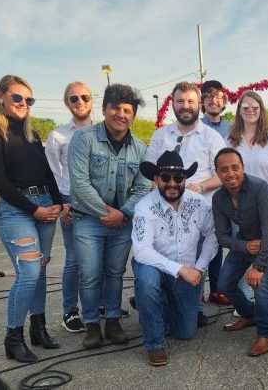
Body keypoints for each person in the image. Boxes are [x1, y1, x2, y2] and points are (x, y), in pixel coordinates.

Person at [0, 75, 62, 363]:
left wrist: (58, 202)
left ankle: (38, 328)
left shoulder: (32, 134)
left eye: (29, 100)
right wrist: (33, 209)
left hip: (46, 206)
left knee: (40, 269)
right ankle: (13, 338)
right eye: (17, 97)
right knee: (28, 272)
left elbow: (47, 172)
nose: (23, 104)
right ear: (1, 97)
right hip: (17, 208)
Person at [68, 83, 151, 349]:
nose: (121, 114)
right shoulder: (84, 139)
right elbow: (79, 184)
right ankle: (92, 326)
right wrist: (108, 213)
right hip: (88, 220)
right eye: (115, 107)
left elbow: (142, 187)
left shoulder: (140, 148)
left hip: (123, 222)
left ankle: (113, 321)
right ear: (104, 109)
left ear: (133, 116)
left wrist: (124, 213)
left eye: (127, 110)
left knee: (115, 273)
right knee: (90, 274)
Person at [147, 81, 226, 326]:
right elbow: (152, 174)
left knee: (196, 259)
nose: (185, 106)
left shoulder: (212, 137)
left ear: (199, 104)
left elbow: (222, 174)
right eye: (180, 101)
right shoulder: (161, 135)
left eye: (191, 101)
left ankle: (195, 305)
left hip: (200, 211)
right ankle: (164, 300)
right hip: (165, 211)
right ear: (173, 104)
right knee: (167, 257)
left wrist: (200, 187)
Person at [131, 151, 218, 366]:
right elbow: (141, 251)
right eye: (166, 178)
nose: (172, 183)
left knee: (185, 332)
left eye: (178, 178)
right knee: (147, 281)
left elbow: (212, 237)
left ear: (185, 180)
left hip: (189, 272)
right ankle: (154, 344)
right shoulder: (144, 207)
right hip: (155, 268)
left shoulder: (199, 203)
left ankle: (148, 304)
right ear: (156, 179)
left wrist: (199, 267)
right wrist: (179, 270)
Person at [213, 148, 268, 356]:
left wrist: (259, 266)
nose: (230, 174)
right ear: (217, 173)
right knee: (224, 284)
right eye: (224, 169)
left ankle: (266, 335)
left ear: (243, 168)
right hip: (245, 242)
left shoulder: (259, 187)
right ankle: (249, 314)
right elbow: (221, 235)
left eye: (235, 168)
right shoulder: (218, 198)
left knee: (259, 282)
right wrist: (244, 246)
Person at [199, 79, 232, 306]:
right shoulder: (196, 126)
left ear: (224, 102)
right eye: (209, 97)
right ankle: (196, 288)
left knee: (218, 242)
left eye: (218, 97)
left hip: (225, 195)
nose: (214, 100)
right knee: (197, 243)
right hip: (199, 195)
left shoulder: (231, 128)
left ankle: (218, 287)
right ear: (202, 102)